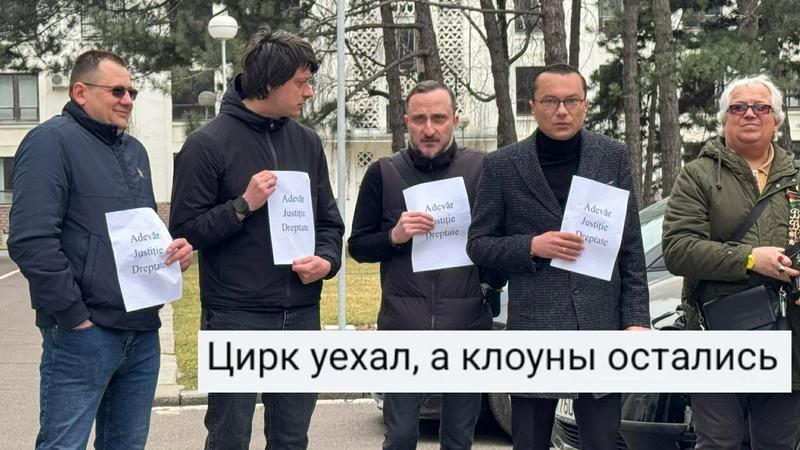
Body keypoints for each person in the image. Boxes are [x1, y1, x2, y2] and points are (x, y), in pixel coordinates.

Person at [7, 50, 194, 450]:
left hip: (142, 334)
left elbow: (139, 235)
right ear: (80, 92)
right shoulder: (50, 142)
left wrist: (172, 254)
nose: (128, 100)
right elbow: (31, 239)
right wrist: (74, 317)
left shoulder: (135, 152)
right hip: (82, 335)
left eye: (132, 92)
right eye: (117, 91)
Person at [169, 25, 344, 450]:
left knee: (291, 438)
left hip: (301, 314)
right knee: (229, 437)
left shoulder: (307, 142)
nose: (309, 92)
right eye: (301, 83)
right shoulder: (206, 144)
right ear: (269, 84)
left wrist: (326, 261)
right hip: (235, 315)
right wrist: (242, 205)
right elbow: (185, 231)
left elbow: (330, 223)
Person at [466, 63, 650, 450]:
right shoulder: (502, 164)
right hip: (536, 327)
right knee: (530, 442)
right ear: (533, 106)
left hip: (600, 324)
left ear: (585, 105)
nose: (562, 110)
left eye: (571, 101)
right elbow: (478, 243)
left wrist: (636, 320)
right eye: (550, 101)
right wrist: (531, 246)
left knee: (602, 443)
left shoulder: (613, 156)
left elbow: (631, 247)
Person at [348, 80, 505, 450]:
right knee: (400, 436)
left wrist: (489, 285)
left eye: (439, 118)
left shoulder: (482, 169)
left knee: (459, 439)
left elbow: (499, 242)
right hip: (403, 326)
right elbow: (357, 246)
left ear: (455, 120)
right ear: (406, 121)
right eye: (419, 119)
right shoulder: (383, 172)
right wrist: (394, 236)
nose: (429, 129)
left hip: (466, 326)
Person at [662, 75, 800, 449]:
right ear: (724, 120)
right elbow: (677, 248)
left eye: (761, 107)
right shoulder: (698, 175)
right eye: (738, 108)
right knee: (718, 442)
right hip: (718, 333)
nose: (749, 114)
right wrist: (750, 259)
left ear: (776, 119)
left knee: (778, 443)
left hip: (788, 337)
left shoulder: (796, 178)